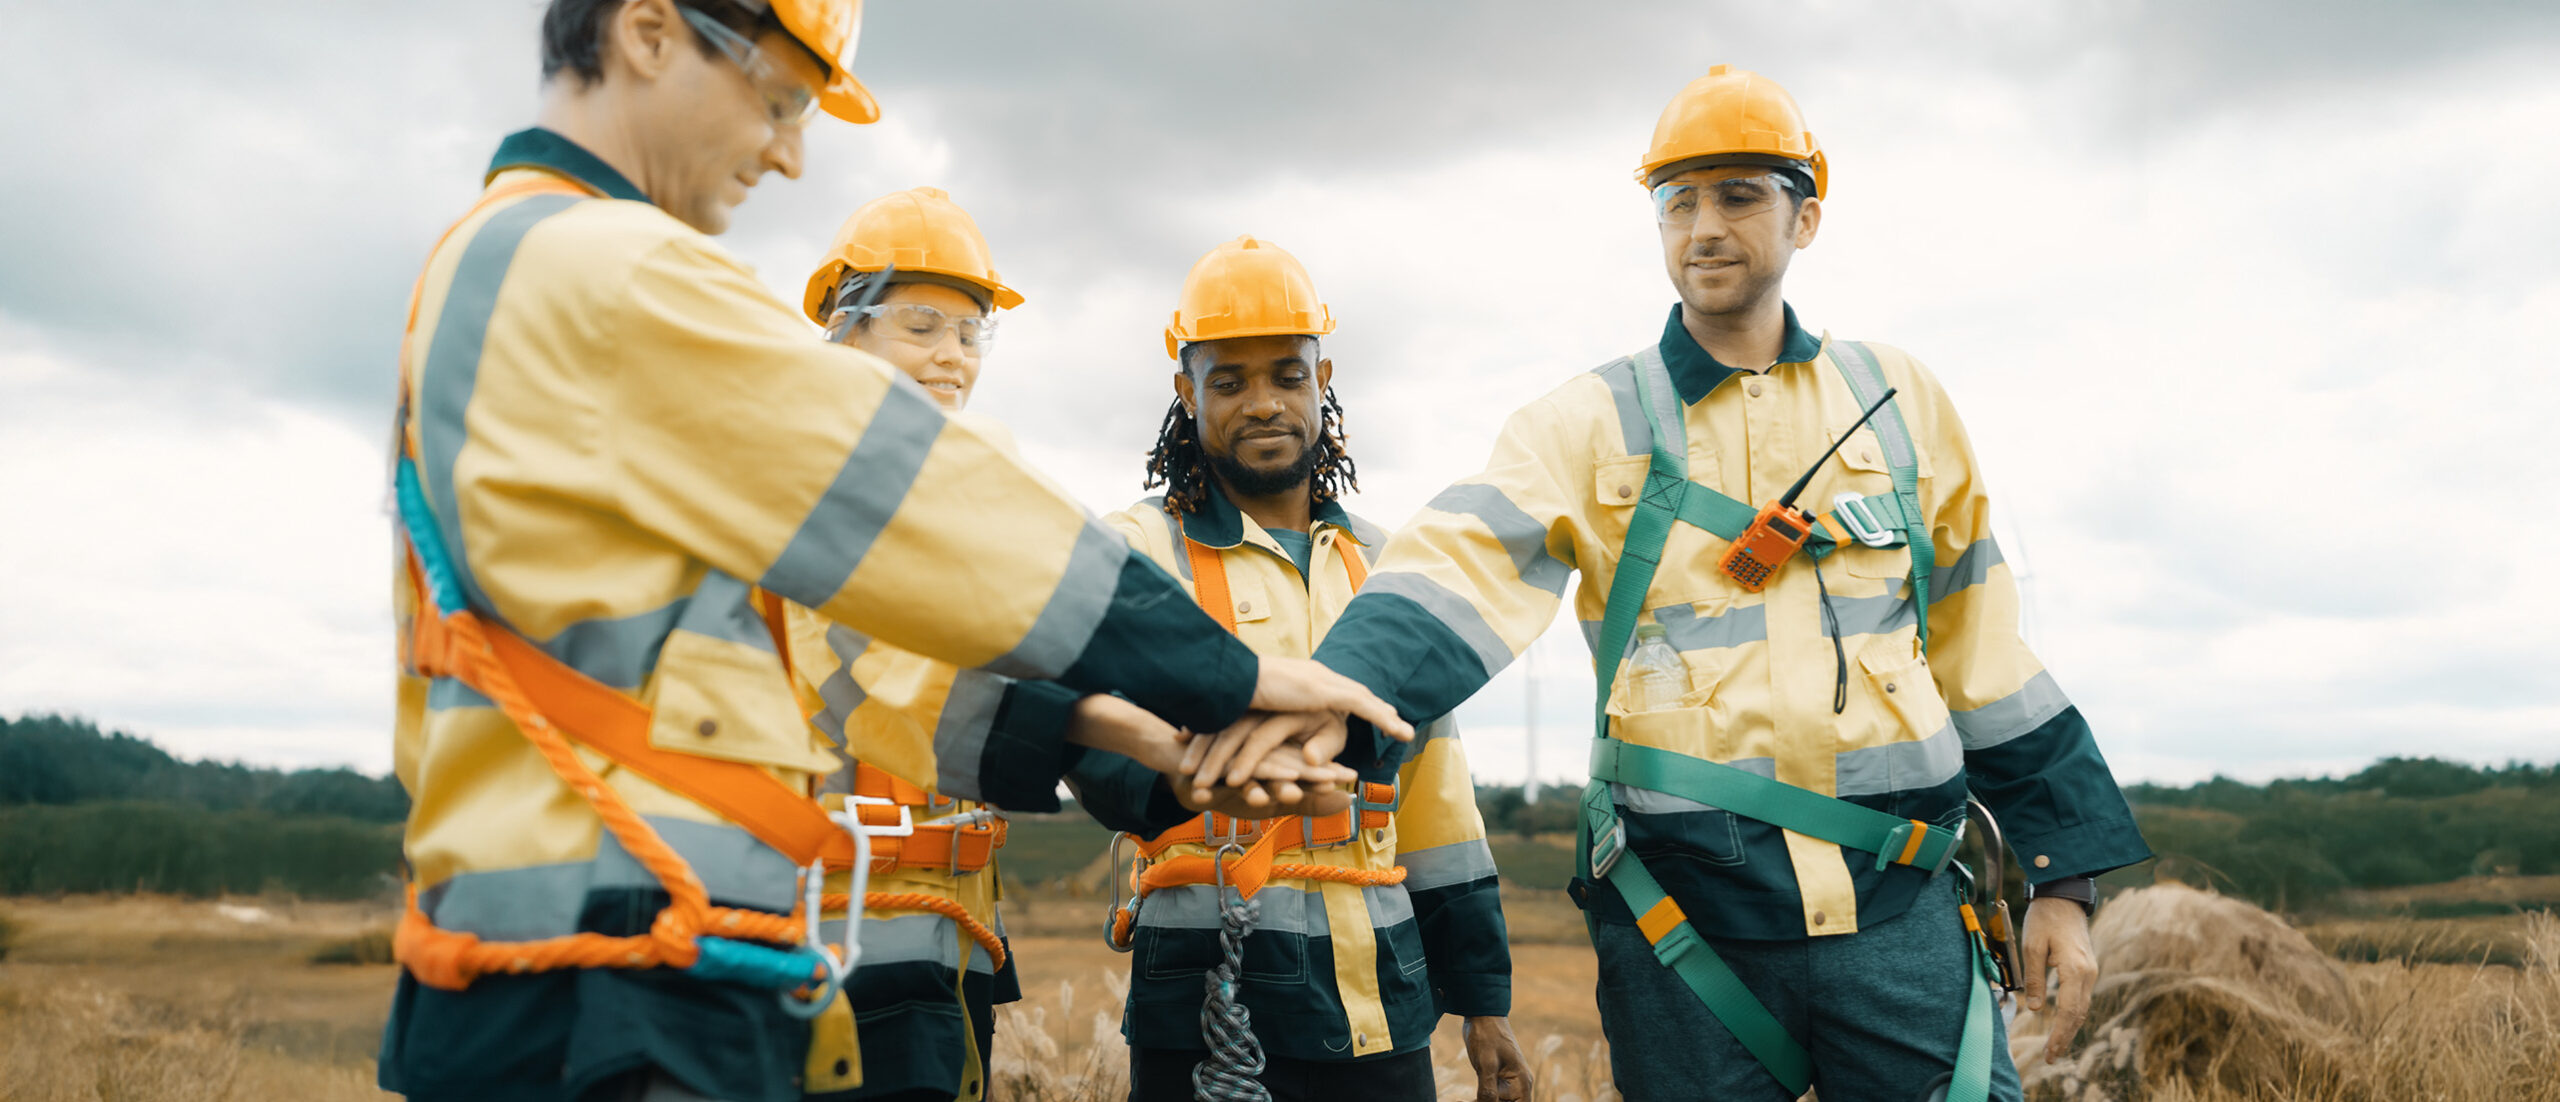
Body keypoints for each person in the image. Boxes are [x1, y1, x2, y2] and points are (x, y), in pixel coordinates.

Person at [378, 5, 1405, 1101]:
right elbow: (915, 501)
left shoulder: (510, 262)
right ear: (648, 32)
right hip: (610, 972)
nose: (789, 152)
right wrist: (1226, 676)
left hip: (586, 952)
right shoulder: (605, 269)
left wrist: (1126, 731)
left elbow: (846, 672)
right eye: (780, 99)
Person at [1208, 66, 2150, 1102]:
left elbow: (1985, 651)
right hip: (1685, 933)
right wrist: (1325, 703)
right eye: (1678, 201)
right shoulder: (1587, 422)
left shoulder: (1898, 402)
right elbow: (1454, 568)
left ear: (1806, 217)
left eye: (1738, 196)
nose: (1703, 227)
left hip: (1902, 917)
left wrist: (2062, 881)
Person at [1012, 237, 1533, 1102]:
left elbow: (1438, 798)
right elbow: (1077, 728)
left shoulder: (1388, 564)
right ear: (1187, 393)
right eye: (1229, 382)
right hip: (1204, 995)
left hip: (1381, 1004)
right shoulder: (1133, 550)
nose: (1263, 404)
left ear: (1321, 381)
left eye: (1288, 376)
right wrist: (1181, 778)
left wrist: (1483, 1004)